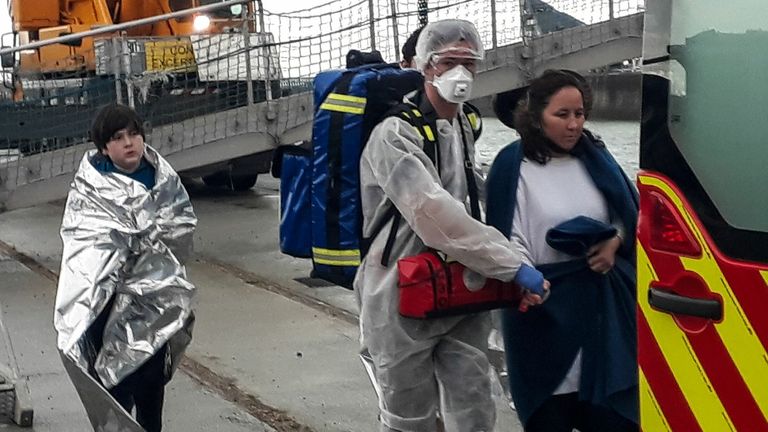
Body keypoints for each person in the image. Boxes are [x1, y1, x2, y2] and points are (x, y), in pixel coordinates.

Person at [355, 19, 549, 432]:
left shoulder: (462, 125)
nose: (459, 73)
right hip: (398, 288)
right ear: (426, 66)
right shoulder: (393, 134)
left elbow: (470, 199)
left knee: (474, 405)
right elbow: (434, 216)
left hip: (459, 286)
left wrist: (515, 264)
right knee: (410, 416)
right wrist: (512, 266)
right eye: (448, 62)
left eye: (468, 63)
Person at [485, 69, 639, 432]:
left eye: (580, 114)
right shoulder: (512, 166)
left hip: (602, 314)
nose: (573, 125)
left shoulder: (597, 157)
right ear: (537, 115)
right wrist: (526, 278)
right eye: (562, 115)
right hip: (542, 310)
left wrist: (615, 242)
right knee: (549, 416)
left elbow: (629, 214)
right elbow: (508, 238)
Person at [54, 104, 197, 432]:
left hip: (153, 298)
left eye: (134, 134)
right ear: (104, 147)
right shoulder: (93, 186)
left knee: (150, 380)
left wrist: (150, 243)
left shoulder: (161, 176)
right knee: (113, 379)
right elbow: (85, 240)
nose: (129, 143)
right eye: (118, 138)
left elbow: (181, 223)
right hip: (107, 302)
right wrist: (128, 242)